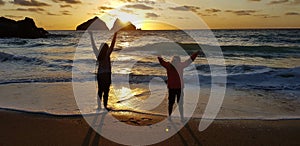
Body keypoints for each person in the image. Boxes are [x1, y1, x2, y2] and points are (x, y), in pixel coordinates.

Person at [158, 51, 200, 119]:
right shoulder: (180, 65)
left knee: (171, 103)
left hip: (172, 88)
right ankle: (181, 117)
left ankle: (170, 117)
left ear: (172, 60)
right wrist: (196, 53)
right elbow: (190, 60)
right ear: (179, 60)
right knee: (179, 104)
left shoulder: (169, 66)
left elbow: (161, 61)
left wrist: (158, 53)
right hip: (179, 88)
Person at [88, 31, 117, 110]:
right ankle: (105, 106)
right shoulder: (107, 54)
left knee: (100, 90)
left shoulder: (98, 55)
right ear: (106, 48)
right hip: (107, 75)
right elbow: (112, 45)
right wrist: (115, 34)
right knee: (106, 91)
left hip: (100, 75)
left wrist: (91, 36)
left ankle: (99, 107)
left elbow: (93, 46)